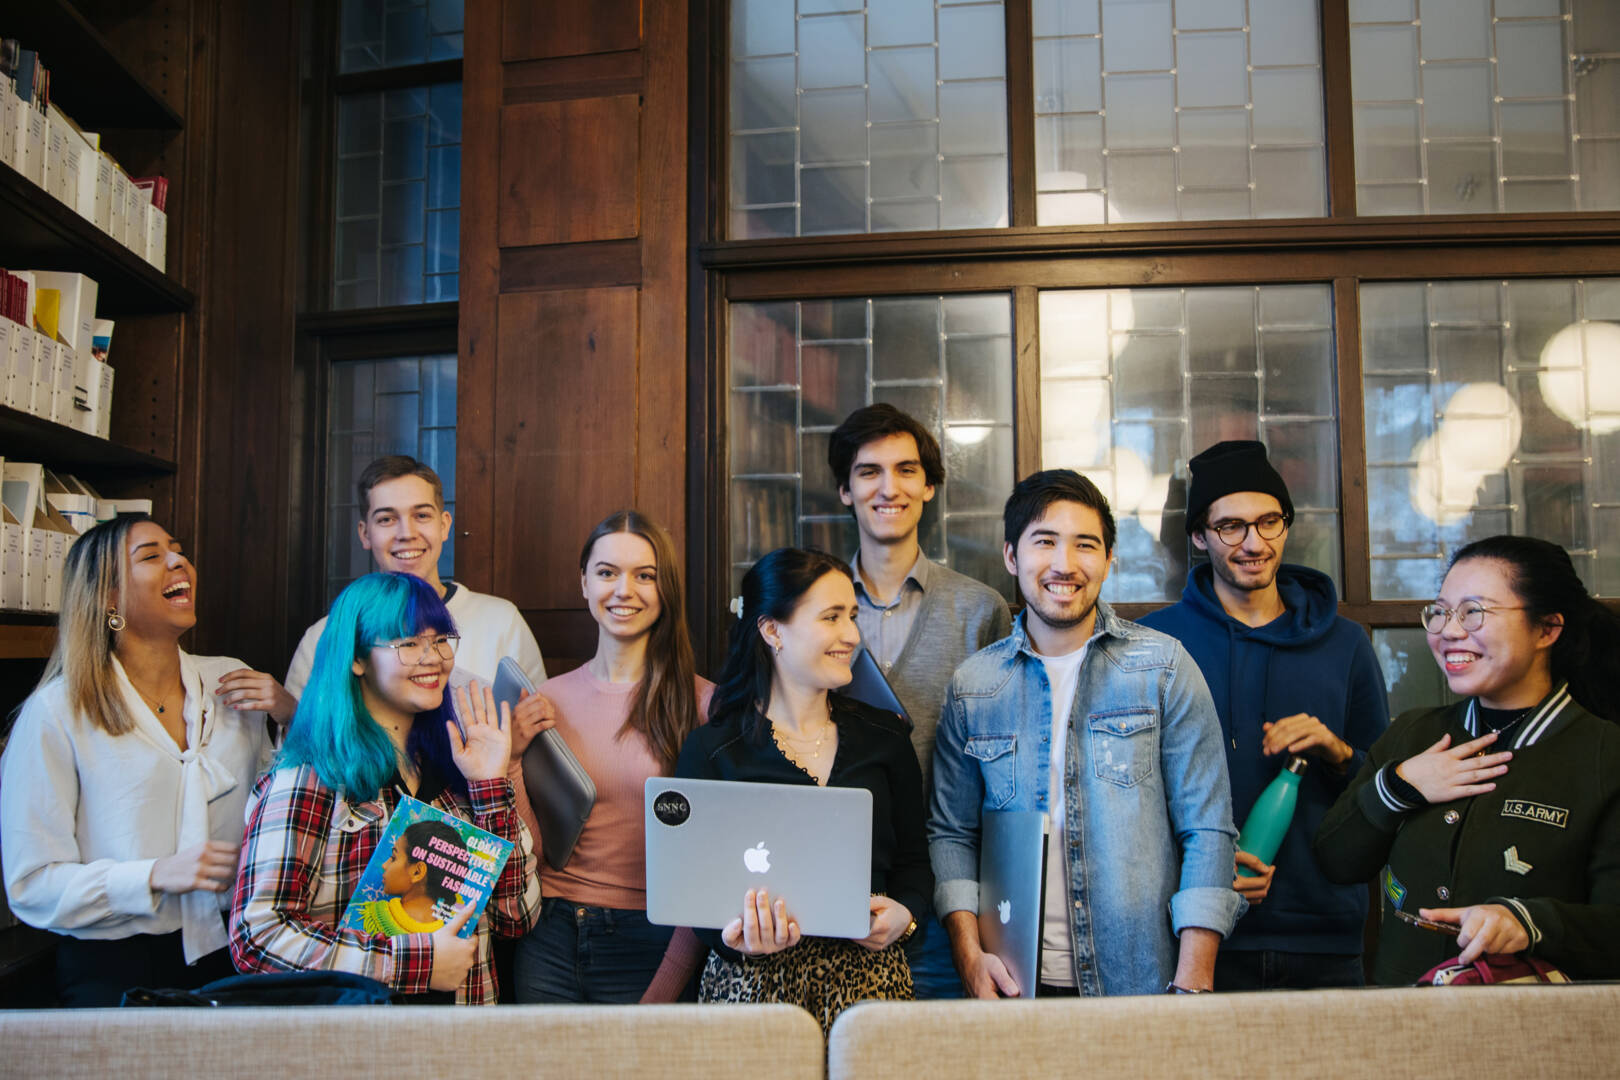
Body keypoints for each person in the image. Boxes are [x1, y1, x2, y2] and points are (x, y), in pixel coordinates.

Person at [929, 469, 1243, 999]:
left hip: (1141, 982)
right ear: (1011, 556)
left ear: (1109, 559)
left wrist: (1194, 979)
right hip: (1013, 984)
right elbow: (952, 834)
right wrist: (968, 956)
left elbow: (1207, 828)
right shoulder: (974, 686)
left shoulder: (1162, 668)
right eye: (1044, 542)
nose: (1064, 565)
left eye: (1085, 545)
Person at [1315, 535, 1620, 985]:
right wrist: (1397, 789)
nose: (1449, 631)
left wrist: (1526, 922)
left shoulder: (1604, 753)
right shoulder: (1413, 733)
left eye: (1474, 611)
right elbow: (1336, 861)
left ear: (1547, 629)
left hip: (1536, 1034)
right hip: (1403, 1021)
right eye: (1440, 612)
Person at [1140, 440, 1388, 990]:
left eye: (1268, 522)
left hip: (1324, 938)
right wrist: (1197, 879)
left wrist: (1338, 752)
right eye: (1231, 527)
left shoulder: (1345, 644)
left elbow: (1386, 786)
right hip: (1192, 934)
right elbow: (1129, 793)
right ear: (1201, 538)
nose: (1253, 543)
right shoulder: (1156, 644)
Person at [0, 515, 276, 1006]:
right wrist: (152, 875)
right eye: (151, 555)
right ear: (108, 598)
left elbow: (283, 809)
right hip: (114, 969)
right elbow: (30, 885)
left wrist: (292, 715)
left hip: (235, 952)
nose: (179, 561)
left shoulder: (233, 683)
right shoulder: (56, 712)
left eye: (177, 549)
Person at [229, 572, 539, 1004]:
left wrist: (490, 785)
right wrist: (417, 963)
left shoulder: (455, 770)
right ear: (357, 659)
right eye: (408, 644)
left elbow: (516, 917)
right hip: (363, 1047)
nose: (433, 657)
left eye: (441, 639)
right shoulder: (312, 777)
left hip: (460, 1043)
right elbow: (257, 936)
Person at [674, 547, 932, 1035]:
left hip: (870, 990)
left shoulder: (887, 736)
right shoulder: (714, 749)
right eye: (832, 617)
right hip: (750, 992)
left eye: (852, 616)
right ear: (772, 631)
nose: (852, 635)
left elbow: (916, 864)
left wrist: (906, 915)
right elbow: (692, 892)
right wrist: (737, 939)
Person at [826, 404, 1011, 998]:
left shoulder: (981, 611)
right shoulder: (809, 608)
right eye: (868, 471)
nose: (889, 488)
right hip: (831, 888)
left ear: (928, 487)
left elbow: (1003, 757)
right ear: (844, 490)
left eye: (907, 470)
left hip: (950, 898)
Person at [507, 510, 713, 1003]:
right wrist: (512, 763)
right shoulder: (543, 700)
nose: (625, 590)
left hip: (655, 939)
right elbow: (533, 848)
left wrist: (666, 987)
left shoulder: (704, 705)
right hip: (550, 933)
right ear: (583, 583)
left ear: (666, 589)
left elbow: (708, 867)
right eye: (607, 573)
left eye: (645, 575)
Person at [283, 456, 546, 697]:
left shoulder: (501, 621)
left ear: (444, 525)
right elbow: (301, 740)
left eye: (421, 515)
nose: (406, 533)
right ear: (365, 533)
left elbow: (537, 729)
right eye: (386, 519)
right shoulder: (326, 635)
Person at [357, 820, 466, 936]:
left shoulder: (369, 915)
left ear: (417, 872)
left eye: (393, 858)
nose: (384, 865)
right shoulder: (450, 935)